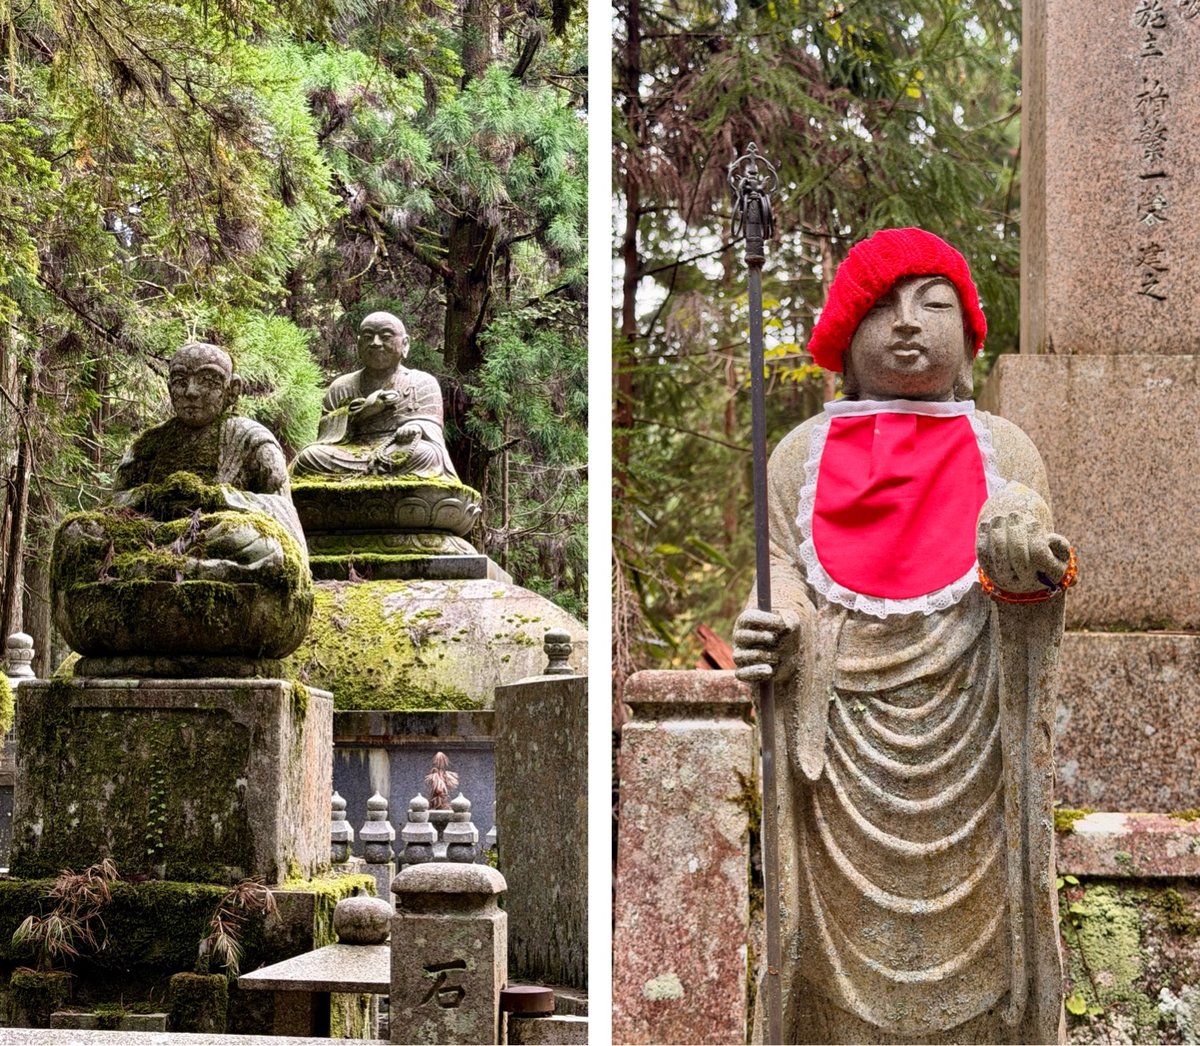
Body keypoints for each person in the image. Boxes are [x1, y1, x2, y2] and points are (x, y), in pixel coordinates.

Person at [733, 228, 1074, 1045]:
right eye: (882, 308)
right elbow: (779, 569)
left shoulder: (1005, 449)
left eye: (934, 305)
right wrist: (777, 624)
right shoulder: (801, 455)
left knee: (984, 931)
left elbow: (1034, 566)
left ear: (969, 342)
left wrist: (1025, 558)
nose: (909, 323)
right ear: (847, 342)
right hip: (840, 738)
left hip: (972, 733)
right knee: (830, 953)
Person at [290, 311, 459, 481]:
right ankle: (372, 473)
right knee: (309, 456)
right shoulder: (341, 386)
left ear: (405, 344)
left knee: (428, 454)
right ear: (359, 345)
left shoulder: (422, 382)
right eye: (368, 337)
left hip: (397, 447)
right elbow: (326, 430)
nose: (375, 343)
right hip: (350, 450)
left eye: (385, 336)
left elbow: (432, 425)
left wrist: (416, 427)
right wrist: (363, 411)